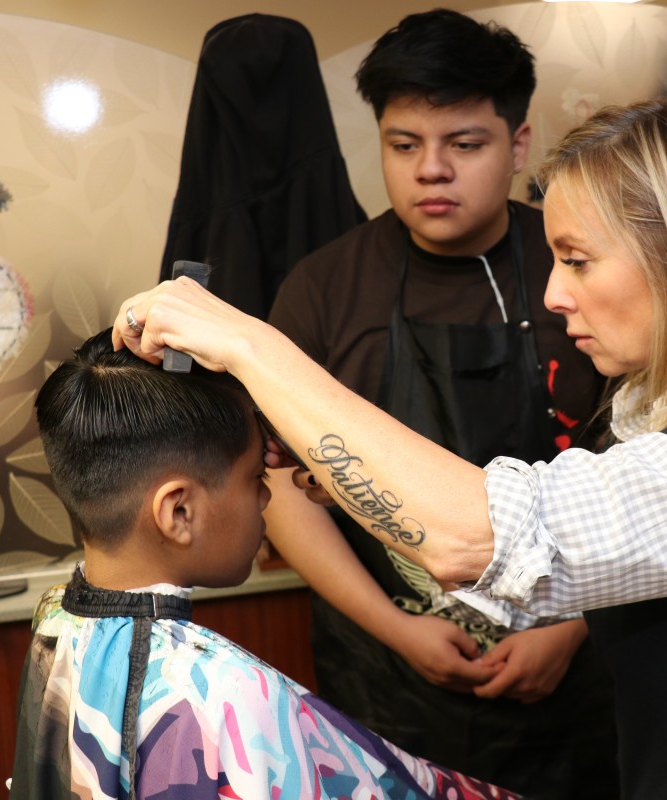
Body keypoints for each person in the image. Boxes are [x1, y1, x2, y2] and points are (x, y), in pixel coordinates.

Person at [115, 94, 667, 799]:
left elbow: (478, 539)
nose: (557, 295)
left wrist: (249, 344)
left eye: (579, 260)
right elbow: (513, 543)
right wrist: (341, 482)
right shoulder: (656, 407)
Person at [262, 9, 617, 798]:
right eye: (403, 145)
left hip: (572, 689)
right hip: (385, 677)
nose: (431, 171)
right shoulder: (323, 288)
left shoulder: (583, 273)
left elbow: (651, 465)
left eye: (464, 144)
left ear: (518, 144)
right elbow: (284, 489)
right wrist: (400, 631)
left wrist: (573, 628)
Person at [8, 328, 523, 800]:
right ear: (179, 511)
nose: (266, 499)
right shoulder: (232, 696)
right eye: (257, 477)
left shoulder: (53, 621)